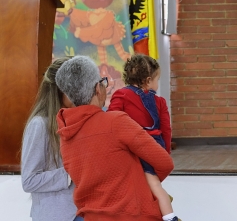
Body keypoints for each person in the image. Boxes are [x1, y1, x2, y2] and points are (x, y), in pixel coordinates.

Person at [55, 55, 175, 221]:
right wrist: (146, 183)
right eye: (103, 82)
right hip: (134, 215)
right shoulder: (115, 122)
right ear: (98, 89)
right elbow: (164, 162)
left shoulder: (65, 134)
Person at [108, 54, 177, 221]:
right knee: (153, 184)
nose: (157, 84)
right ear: (147, 80)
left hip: (134, 146)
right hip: (155, 145)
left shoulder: (121, 96)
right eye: (157, 79)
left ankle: (164, 213)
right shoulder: (159, 101)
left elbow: (111, 119)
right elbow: (166, 129)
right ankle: (168, 214)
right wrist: (164, 153)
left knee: (142, 183)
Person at [20, 57, 82, 221]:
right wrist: (70, 174)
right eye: (76, 87)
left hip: (82, 211)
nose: (82, 92)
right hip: (57, 215)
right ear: (61, 90)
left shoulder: (78, 119)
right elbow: (29, 180)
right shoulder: (39, 125)